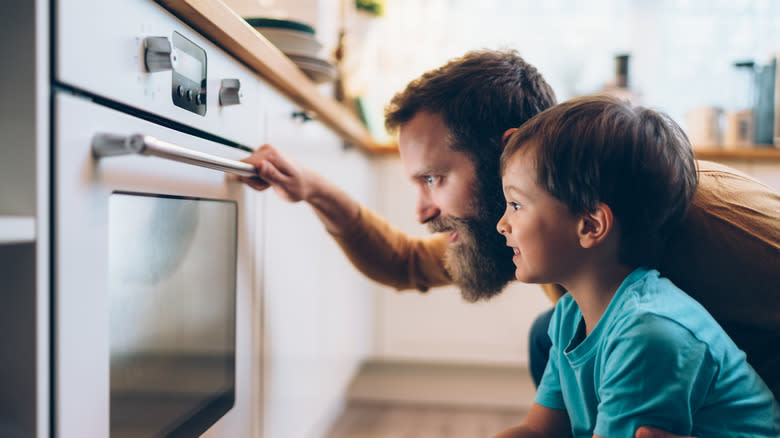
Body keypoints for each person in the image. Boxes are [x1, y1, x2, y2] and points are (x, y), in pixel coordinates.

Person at [237, 50, 780, 436]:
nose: (424, 210)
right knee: (553, 333)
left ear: (508, 152)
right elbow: (404, 263)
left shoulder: (710, 218)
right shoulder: (530, 229)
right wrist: (313, 190)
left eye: (434, 179)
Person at [491, 94, 779, 438]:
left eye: (516, 204)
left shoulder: (647, 335)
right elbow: (538, 431)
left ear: (590, 225)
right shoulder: (570, 314)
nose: (502, 224)